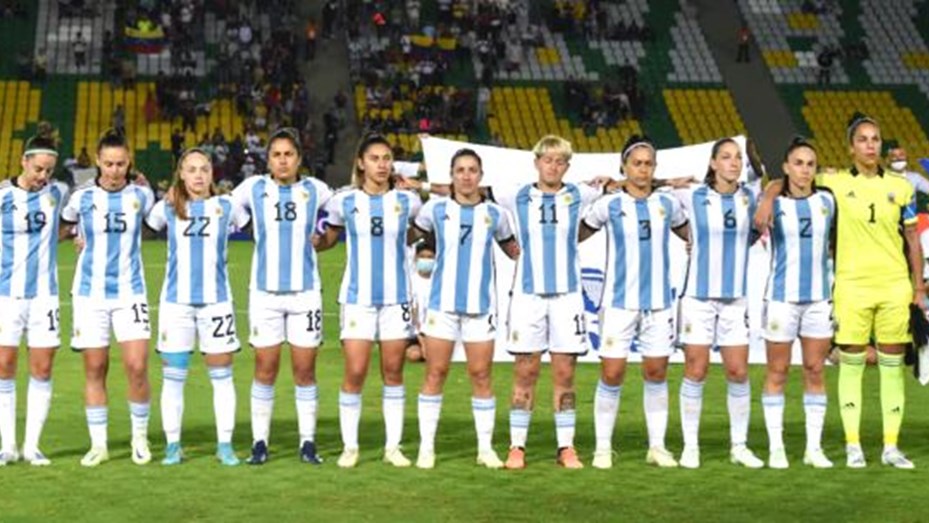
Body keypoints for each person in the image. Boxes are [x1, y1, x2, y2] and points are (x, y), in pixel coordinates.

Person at [755, 114, 924, 469]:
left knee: (892, 367)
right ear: (851, 147)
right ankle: (853, 446)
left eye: (875, 139)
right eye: (863, 139)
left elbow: (912, 240)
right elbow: (783, 180)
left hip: (894, 286)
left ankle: (891, 447)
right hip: (850, 286)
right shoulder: (830, 184)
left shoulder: (903, 187)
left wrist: (918, 288)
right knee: (852, 365)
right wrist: (769, 198)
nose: (870, 145)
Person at [579, 135, 689, 469]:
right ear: (623, 167)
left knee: (656, 372)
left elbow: (687, 233)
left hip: (657, 303)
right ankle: (601, 447)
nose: (642, 169)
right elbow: (578, 234)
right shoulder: (608, 205)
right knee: (612, 373)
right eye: (636, 163)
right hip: (617, 302)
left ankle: (656, 446)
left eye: (648, 163)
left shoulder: (667, 204)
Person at [409, 149, 520, 470]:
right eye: (460, 170)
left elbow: (512, 249)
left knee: (481, 375)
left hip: (479, 307)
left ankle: (485, 449)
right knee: (435, 373)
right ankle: (426, 448)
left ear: (480, 176)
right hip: (442, 306)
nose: (467, 176)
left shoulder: (496, 215)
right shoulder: (436, 210)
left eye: (472, 170)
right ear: (452, 175)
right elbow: (410, 236)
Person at [317, 133, 421, 468]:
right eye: (375, 158)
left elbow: (415, 235)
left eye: (387, 158)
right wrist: (305, 240)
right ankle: (351, 446)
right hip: (357, 298)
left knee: (393, 371)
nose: (381, 165)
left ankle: (393, 447)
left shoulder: (407, 202)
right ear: (361, 163)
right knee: (356, 371)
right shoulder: (344, 201)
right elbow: (328, 238)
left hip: (395, 298)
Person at [231, 128, 333, 466]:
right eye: (276, 154)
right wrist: (248, 227)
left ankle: (308, 443)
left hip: (305, 294)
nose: (283, 160)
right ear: (268, 159)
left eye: (289, 154)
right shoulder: (254, 188)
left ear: (299, 158)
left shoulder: (315, 189)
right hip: (264, 294)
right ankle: (260, 442)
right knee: (265, 368)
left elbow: (339, 213)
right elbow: (229, 208)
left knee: (305, 370)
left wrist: (323, 236)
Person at [146, 148, 250, 466]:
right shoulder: (166, 208)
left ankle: (225, 445)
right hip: (176, 304)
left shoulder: (227, 206)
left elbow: (252, 228)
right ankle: (173, 446)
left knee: (222, 376)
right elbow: (144, 228)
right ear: (181, 174)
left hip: (217, 303)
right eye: (191, 169)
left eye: (204, 169)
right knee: (173, 377)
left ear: (212, 174)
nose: (198, 175)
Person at [61, 130, 155, 467]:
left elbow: (165, 220)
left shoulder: (142, 195)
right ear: (98, 162)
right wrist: (75, 236)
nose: (115, 170)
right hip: (90, 295)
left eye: (120, 163)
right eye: (109, 163)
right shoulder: (81, 197)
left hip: (131, 292)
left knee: (137, 366)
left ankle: (140, 438)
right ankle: (98, 445)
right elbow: (63, 228)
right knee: (95, 368)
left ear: (129, 161)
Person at [674, 137, 764, 469]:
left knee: (738, 372)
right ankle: (690, 446)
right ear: (713, 163)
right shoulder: (692, 195)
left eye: (738, 157)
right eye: (726, 157)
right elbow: (654, 198)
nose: (734, 162)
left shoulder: (750, 197)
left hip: (735, 298)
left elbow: (772, 193)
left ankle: (738, 446)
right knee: (695, 371)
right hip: (697, 297)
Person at [758, 137, 835, 469]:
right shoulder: (773, 204)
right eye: (798, 163)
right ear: (786, 168)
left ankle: (813, 448)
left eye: (810, 164)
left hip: (819, 299)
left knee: (815, 370)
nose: (805, 170)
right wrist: (770, 193)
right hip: (781, 299)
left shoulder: (829, 202)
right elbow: (772, 190)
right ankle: (776, 447)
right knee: (777, 371)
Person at [0, 136, 69, 466]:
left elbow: (77, 219)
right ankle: (7, 446)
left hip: (45, 296)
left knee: (42, 368)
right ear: (23, 161)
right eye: (39, 168)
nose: (43, 175)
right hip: (6, 295)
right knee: (4, 367)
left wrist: (77, 234)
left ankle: (32, 446)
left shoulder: (58, 194)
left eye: (49, 170)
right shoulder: (2, 196)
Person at [407, 239, 436, 363]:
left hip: (435, 330)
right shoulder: (410, 282)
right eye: (422, 257)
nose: (426, 260)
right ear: (415, 259)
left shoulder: (439, 283)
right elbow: (413, 316)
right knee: (414, 355)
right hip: (415, 333)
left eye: (430, 257)